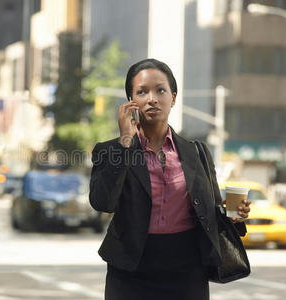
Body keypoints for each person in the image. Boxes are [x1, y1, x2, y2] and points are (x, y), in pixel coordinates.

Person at [89, 58, 251, 300]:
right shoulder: (111, 151)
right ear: (131, 102)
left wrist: (236, 215)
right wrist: (125, 141)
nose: (152, 98)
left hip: (187, 272)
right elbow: (103, 203)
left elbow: (213, 209)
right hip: (130, 272)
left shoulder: (196, 152)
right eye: (142, 92)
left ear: (173, 98)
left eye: (160, 90)